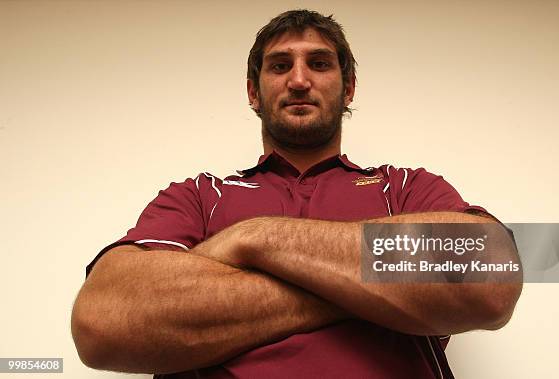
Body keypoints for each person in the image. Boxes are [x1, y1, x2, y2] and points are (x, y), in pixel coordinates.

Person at [71, 9, 522, 379]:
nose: (300, 80)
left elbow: (491, 274)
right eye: (280, 65)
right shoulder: (198, 196)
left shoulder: (402, 188)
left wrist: (254, 239)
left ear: (348, 89)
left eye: (320, 64)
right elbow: (103, 323)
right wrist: (372, 287)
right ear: (254, 91)